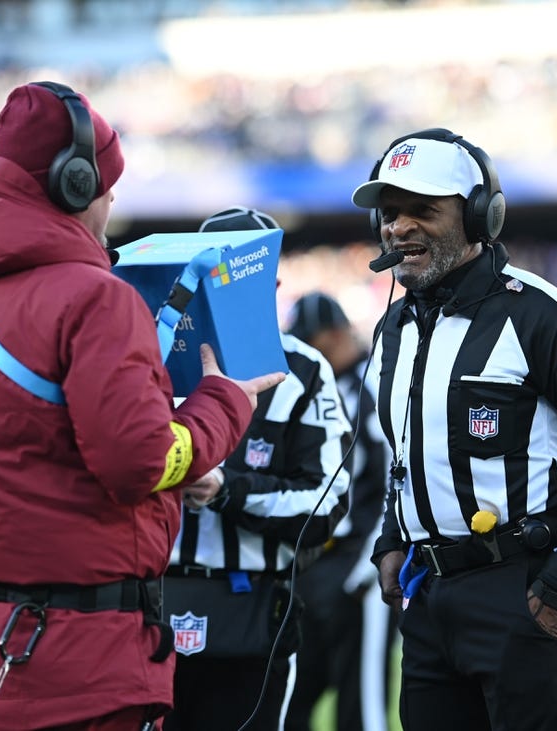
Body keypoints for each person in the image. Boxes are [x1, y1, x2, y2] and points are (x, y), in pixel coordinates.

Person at [0, 82, 284, 731]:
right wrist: (224, 402)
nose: (111, 202)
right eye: (107, 185)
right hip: (78, 664)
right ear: (75, 185)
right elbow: (141, 460)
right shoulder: (97, 299)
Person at [352, 128, 557, 731]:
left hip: (529, 586)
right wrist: (394, 535)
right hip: (433, 601)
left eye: (424, 209)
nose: (399, 227)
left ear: (480, 216)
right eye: (390, 213)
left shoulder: (541, 314)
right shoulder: (392, 327)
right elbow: (409, 456)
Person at [163, 207, 353, 731]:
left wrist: (227, 489)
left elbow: (327, 504)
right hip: (147, 611)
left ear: (273, 283)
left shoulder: (304, 370)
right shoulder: (148, 360)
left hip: (254, 614)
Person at [283, 292, 396, 731]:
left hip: (357, 562)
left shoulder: (375, 385)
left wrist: (372, 564)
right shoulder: (315, 384)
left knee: (361, 706)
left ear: (334, 335)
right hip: (311, 564)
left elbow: (394, 481)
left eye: (313, 341)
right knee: (290, 696)